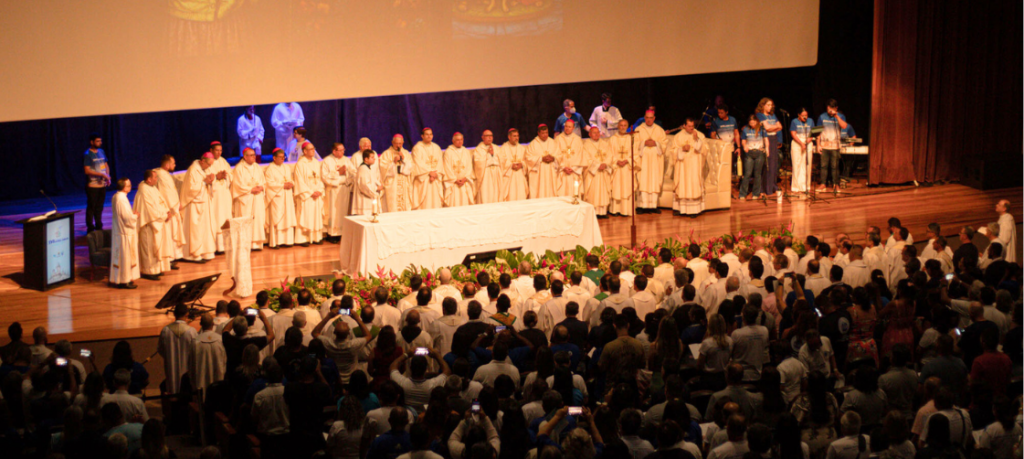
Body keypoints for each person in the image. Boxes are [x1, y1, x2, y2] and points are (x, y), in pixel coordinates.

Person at [133, 169, 176, 281]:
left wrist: (167, 211)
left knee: (155, 247)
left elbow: (161, 201)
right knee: (149, 248)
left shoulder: (152, 188)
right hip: (148, 224)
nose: (157, 179)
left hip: (157, 221)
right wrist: (164, 216)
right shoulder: (144, 191)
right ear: (148, 179)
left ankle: (156, 269)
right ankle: (148, 271)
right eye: (155, 178)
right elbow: (149, 210)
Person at [179, 153, 217, 262]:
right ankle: (193, 254)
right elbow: (191, 189)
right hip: (194, 205)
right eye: (208, 164)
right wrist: (204, 182)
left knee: (205, 229)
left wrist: (211, 181)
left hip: (204, 203)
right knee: (195, 231)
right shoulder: (193, 170)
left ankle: (206, 252)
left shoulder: (205, 169)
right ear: (202, 161)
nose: (209, 167)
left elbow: (208, 185)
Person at [231, 148, 268, 250]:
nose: (253, 157)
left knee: (258, 220)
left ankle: (257, 244)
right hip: (245, 198)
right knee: (245, 219)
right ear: (245, 157)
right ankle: (245, 245)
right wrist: (250, 190)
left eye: (254, 155)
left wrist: (261, 187)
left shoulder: (257, 167)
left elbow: (263, 181)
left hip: (257, 198)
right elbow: (237, 185)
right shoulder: (239, 168)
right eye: (251, 155)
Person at [158, 303, 197, 395]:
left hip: (171, 368)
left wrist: (169, 357)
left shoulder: (165, 331)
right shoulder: (192, 332)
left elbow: (160, 349)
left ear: (174, 314)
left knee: (172, 393)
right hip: (187, 369)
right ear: (187, 314)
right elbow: (196, 351)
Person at [671, 118, 707, 217]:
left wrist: (696, 140)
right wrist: (682, 149)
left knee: (693, 184)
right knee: (682, 185)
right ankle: (680, 209)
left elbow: (704, 150)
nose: (692, 128)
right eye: (689, 126)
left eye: (693, 126)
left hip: (695, 165)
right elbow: (673, 151)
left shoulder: (699, 135)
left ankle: (694, 210)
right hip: (682, 166)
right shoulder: (678, 136)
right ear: (684, 126)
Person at [634, 110, 667, 214]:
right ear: (644, 117)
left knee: (654, 180)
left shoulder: (659, 130)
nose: (649, 120)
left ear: (654, 118)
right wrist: (644, 143)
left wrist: (656, 143)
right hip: (643, 161)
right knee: (643, 180)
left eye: (651, 118)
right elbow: (634, 144)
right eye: (647, 118)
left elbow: (664, 144)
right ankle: (641, 206)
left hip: (655, 161)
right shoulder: (639, 129)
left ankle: (653, 206)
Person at [292, 141, 325, 246]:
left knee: (315, 215)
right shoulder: (300, 164)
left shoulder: (316, 162)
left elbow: (319, 178)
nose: (313, 151)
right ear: (304, 151)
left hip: (316, 194)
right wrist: (310, 193)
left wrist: (319, 190)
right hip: (307, 195)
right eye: (310, 149)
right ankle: (303, 238)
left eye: (313, 148)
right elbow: (299, 181)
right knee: (305, 215)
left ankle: (316, 237)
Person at [154, 155, 184, 264]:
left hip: (173, 206)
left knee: (173, 231)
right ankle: (170, 257)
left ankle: (175, 255)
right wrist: (173, 207)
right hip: (168, 208)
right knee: (169, 233)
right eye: (173, 163)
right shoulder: (161, 175)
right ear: (167, 164)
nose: (175, 165)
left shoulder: (165, 174)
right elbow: (165, 193)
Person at [321, 143, 354, 243]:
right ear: (334, 151)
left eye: (343, 150)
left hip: (344, 189)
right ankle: (332, 234)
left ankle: (341, 233)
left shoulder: (346, 160)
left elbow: (353, 173)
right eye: (340, 150)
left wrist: (346, 173)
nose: (343, 152)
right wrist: (338, 173)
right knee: (333, 212)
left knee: (343, 211)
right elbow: (324, 176)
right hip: (333, 190)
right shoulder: (327, 161)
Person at [110, 178, 140, 289]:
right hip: (124, 233)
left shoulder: (117, 196)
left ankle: (123, 279)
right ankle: (124, 280)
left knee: (123, 258)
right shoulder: (121, 199)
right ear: (124, 187)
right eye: (128, 185)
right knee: (125, 258)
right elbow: (127, 218)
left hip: (120, 231)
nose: (130, 187)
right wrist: (136, 215)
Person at [264, 148, 297, 248]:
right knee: (277, 218)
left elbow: (291, 180)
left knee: (287, 218)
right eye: (280, 157)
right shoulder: (270, 169)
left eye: (284, 157)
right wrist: (283, 186)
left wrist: (291, 183)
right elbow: (269, 184)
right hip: (277, 197)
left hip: (287, 196)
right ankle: (276, 242)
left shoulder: (286, 168)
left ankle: (288, 241)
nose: (283, 159)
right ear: (274, 158)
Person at [189, 313, 226, 394]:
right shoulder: (220, 340)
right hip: (218, 378)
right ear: (213, 324)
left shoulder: (196, 342)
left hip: (201, 379)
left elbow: (191, 364)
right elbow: (224, 361)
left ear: (200, 324)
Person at [207, 141, 234, 253]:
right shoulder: (208, 162)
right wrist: (216, 177)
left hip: (224, 194)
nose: (219, 152)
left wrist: (226, 176)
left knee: (226, 217)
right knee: (217, 218)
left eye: (220, 150)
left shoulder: (223, 161)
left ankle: (225, 245)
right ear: (211, 150)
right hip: (215, 195)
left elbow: (231, 175)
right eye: (216, 150)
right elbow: (205, 178)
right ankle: (217, 247)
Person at [410, 128, 445, 210]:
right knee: (425, 203)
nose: (429, 136)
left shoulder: (436, 147)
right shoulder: (417, 148)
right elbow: (417, 163)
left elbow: (440, 162)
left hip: (435, 179)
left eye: (430, 134)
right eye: (427, 134)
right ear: (422, 136)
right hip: (424, 179)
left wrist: (435, 174)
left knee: (435, 202)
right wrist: (429, 172)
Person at [582, 125, 613, 217]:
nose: (596, 134)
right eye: (594, 133)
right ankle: (593, 212)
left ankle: (603, 212)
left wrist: (605, 164)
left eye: (598, 132)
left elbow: (610, 155)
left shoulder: (605, 143)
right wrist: (597, 165)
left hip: (603, 172)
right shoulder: (586, 144)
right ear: (589, 134)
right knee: (593, 192)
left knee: (603, 191)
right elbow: (586, 158)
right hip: (593, 173)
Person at [817, 99, 847, 192]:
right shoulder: (822, 117)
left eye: (832, 108)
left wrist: (836, 116)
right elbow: (818, 131)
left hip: (835, 146)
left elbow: (844, 126)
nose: (830, 110)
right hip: (824, 145)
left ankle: (836, 184)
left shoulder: (840, 116)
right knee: (824, 166)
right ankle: (823, 184)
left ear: (836, 108)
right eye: (828, 108)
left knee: (835, 166)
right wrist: (818, 145)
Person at [754, 98, 782, 197]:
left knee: (774, 163)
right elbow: (767, 128)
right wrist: (774, 127)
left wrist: (772, 126)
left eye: (771, 105)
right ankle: (765, 188)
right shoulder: (759, 115)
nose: (770, 107)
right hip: (766, 139)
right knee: (767, 164)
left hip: (774, 138)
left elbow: (780, 126)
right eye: (768, 105)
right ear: (763, 105)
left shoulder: (772, 115)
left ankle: (772, 185)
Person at [378, 134, 413, 212]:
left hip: (404, 183)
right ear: (392, 142)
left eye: (400, 143)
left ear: (403, 143)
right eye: (396, 143)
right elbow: (383, 169)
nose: (398, 145)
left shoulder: (406, 153)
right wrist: (393, 162)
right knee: (392, 207)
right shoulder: (386, 154)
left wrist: (404, 159)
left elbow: (411, 168)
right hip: (392, 183)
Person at [84, 133, 111, 233]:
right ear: (92, 142)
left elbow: (106, 165)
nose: (100, 143)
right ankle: (90, 227)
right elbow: (87, 170)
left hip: (102, 185)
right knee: (92, 207)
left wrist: (107, 176)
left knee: (100, 206)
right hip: (92, 185)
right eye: (97, 141)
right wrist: (101, 175)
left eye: (100, 141)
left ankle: (99, 225)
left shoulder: (102, 151)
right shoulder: (88, 154)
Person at [525, 124, 560, 200]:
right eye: (543, 133)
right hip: (539, 174)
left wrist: (553, 159)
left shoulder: (553, 142)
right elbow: (528, 158)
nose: (545, 135)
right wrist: (540, 159)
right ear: (538, 133)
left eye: (546, 133)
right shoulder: (533, 144)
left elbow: (559, 156)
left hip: (550, 172)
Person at [608, 119, 635, 216]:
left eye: (625, 125)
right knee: (616, 188)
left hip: (627, 167)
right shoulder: (612, 139)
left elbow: (635, 152)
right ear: (618, 126)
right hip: (617, 167)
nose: (623, 127)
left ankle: (625, 210)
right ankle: (615, 210)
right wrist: (616, 161)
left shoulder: (631, 138)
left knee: (626, 187)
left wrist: (627, 160)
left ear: (627, 127)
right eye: (621, 125)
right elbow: (609, 153)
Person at [553, 120, 585, 198]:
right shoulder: (558, 139)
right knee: (562, 194)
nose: (567, 128)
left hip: (574, 172)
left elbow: (581, 155)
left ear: (573, 128)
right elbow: (555, 155)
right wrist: (563, 167)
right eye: (566, 126)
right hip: (562, 172)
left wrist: (573, 168)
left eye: (569, 127)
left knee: (574, 193)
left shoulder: (578, 139)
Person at [738, 115, 766, 201]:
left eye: (753, 122)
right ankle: (742, 193)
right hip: (749, 153)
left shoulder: (761, 130)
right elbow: (743, 140)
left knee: (757, 174)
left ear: (757, 122)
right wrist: (744, 146)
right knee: (747, 174)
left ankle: (756, 193)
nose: (752, 124)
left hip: (759, 153)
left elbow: (766, 139)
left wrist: (765, 148)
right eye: (750, 123)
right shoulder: (746, 130)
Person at [443, 132, 475, 207]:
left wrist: (465, 178)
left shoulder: (466, 152)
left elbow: (469, 166)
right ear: (453, 141)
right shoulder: (448, 152)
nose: (460, 141)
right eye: (457, 140)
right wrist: (455, 179)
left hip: (464, 183)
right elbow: (447, 167)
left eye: (461, 139)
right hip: (454, 184)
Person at [473, 130, 502, 204]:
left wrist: (493, 155)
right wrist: (488, 155)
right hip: (485, 175)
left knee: (496, 194)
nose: (490, 138)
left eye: (491, 136)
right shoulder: (478, 149)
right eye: (487, 136)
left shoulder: (496, 148)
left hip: (496, 174)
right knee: (486, 194)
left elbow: (502, 160)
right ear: (482, 137)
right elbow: (478, 163)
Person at [790, 108, 815, 193]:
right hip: (797, 143)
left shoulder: (810, 121)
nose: (805, 117)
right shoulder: (794, 121)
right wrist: (801, 143)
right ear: (799, 115)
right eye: (803, 115)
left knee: (807, 164)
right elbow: (793, 133)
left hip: (808, 143)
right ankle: (796, 186)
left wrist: (809, 139)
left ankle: (806, 186)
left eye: (806, 115)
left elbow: (813, 132)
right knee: (797, 164)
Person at [353, 150, 383, 216]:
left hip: (369, 199)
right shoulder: (363, 169)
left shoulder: (368, 168)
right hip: (365, 201)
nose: (374, 159)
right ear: (366, 159)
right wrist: (377, 188)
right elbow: (364, 185)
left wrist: (379, 184)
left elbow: (372, 180)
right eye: (372, 157)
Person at [995, 199, 1018, 263]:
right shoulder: (1003, 218)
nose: (996, 205)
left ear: (1004, 209)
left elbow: (1004, 238)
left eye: (999, 205)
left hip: (1005, 256)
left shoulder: (1007, 219)